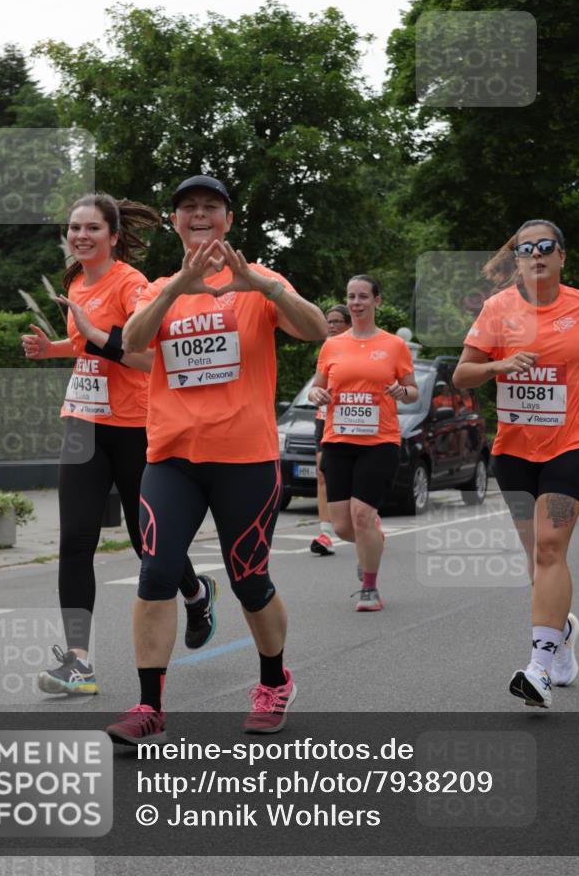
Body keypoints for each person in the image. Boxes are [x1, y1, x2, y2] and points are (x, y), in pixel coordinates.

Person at [104, 174, 327, 745]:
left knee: (250, 578)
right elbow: (131, 341)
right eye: (188, 208)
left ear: (227, 219)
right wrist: (180, 285)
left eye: (210, 207)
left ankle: (275, 682)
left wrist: (259, 285)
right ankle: (148, 704)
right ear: (176, 221)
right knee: (155, 573)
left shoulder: (263, 282)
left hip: (245, 458)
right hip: (172, 457)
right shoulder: (160, 287)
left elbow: (315, 329)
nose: (198, 215)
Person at [22, 193, 213, 696]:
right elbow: (86, 342)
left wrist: (93, 334)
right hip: (83, 423)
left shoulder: (132, 284)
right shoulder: (74, 281)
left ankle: (195, 592)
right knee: (75, 540)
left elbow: (150, 358)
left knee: (147, 540)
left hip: (133, 426)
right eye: (74, 228)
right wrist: (54, 348)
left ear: (113, 235)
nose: (80, 236)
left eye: (91, 229)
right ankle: (79, 664)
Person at [453, 219, 579, 708]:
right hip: (515, 453)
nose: (536, 255)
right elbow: (462, 376)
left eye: (546, 247)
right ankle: (561, 633)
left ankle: (539, 665)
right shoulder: (497, 309)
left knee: (548, 548)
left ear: (562, 255)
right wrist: (497, 366)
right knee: (535, 557)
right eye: (526, 249)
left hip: (575, 444)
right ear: (517, 261)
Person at [308, 275, 417, 611]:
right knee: (342, 525)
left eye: (363, 297)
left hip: (379, 441)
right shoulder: (332, 345)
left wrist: (403, 392)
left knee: (362, 513)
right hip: (338, 439)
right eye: (351, 297)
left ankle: (370, 588)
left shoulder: (393, 346)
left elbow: (412, 392)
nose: (356, 303)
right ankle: (372, 542)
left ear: (377, 301)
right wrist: (317, 394)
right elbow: (316, 387)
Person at [311, 304, 352, 556]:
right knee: (322, 473)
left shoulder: (362, 347)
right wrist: (316, 393)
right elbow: (317, 384)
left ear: (349, 324)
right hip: (325, 417)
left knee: (354, 475)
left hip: (353, 419)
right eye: (329, 321)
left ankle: (366, 515)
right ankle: (325, 532)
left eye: (337, 321)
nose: (332, 326)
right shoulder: (326, 350)